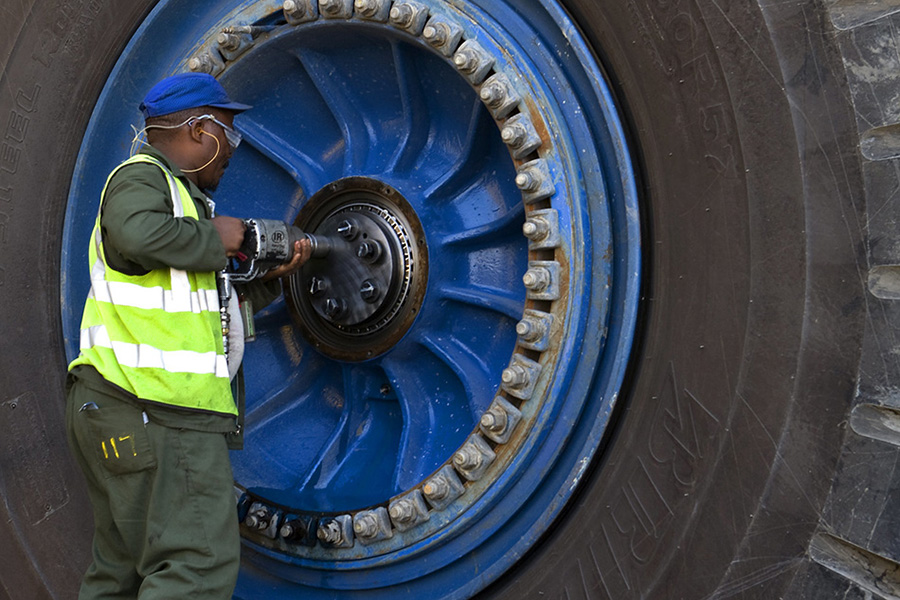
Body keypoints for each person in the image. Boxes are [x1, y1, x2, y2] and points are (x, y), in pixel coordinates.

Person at [65, 72, 311, 599]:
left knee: (122, 574)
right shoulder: (142, 177)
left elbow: (208, 312)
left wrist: (272, 280)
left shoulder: (182, 209)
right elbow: (133, 231)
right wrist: (223, 236)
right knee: (196, 566)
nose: (232, 151)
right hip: (156, 411)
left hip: (119, 409)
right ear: (201, 130)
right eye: (229, 133)